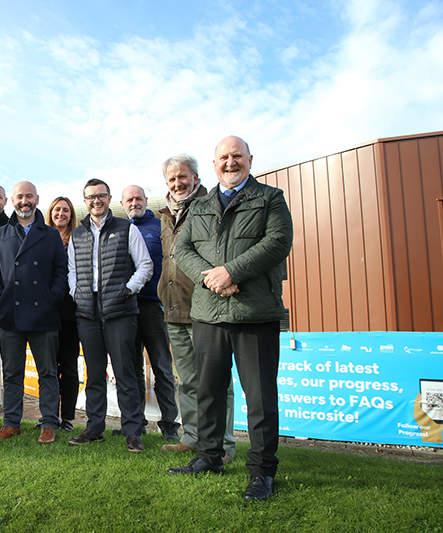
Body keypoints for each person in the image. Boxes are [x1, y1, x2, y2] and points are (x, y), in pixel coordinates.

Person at [170, 136, 292, 501]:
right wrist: (212, 277)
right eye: (223, 157)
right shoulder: (202, 204)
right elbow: (182, 248)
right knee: (208, 392)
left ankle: (262, 472)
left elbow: (277, 241)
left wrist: (231, 272)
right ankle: (209, 457)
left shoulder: (270, 198)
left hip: (255, 314)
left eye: (236, 156)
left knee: (260, 397)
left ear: (250, 160)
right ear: (214, 164)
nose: (230, 162)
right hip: (208, 314)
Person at [158, 155, 236, 462]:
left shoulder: (212, 205)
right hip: (174, 310)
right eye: (172, 179)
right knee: (188, 380)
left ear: (196, 177)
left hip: (206, 308)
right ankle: (191, 437)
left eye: (183, 177)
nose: (178, 183)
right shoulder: (165, 214)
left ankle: (224, 445)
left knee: (216, 381)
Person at [67, 179, 153, 452]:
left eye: (101, 196)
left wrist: (127, 290)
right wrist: (76, 292)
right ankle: (94, 428)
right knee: (93, 375)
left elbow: (145, 266)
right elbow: (72, 271)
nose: (96, 201)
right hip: (87, 311)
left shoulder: (126, 229)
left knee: (125, 372)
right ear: (85, 200)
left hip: (120, 310)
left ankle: (133, 431)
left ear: (109, 198)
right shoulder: (77, 234)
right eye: (90, 197)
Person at [0, 181, 68, 443]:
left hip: (44, 315)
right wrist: (0, 298)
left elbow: (61, 272)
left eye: (29, 196)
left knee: (48, 372)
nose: (24, 201)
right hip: (10, 315)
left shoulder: (50, 234)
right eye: (19, 197)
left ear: (37, 199)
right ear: (12, 201)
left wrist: (52, 298)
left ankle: (49, 423)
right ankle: (11, 423)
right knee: (11, 373)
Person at [119, 185, 179, 441]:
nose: (134, 203)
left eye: (138, 198)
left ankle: (169, 424)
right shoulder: (119, 230)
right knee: (131, 368)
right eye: (129, 200)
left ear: (146, 201)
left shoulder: (160, 227)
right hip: (126, 307)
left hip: (153, 307)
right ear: (122, 204)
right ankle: (136, 421)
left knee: (162, 367)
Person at [44, 196, 80, 431]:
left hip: (70, 313)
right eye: (57, 210)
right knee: (48, 367)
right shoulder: (42, 238)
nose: (61, 214)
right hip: (47, 313)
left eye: (65, 210)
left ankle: (66, 417)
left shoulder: (78, 238)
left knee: (68, 366)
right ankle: (48, 416)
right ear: (50, 213)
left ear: (71, 214)